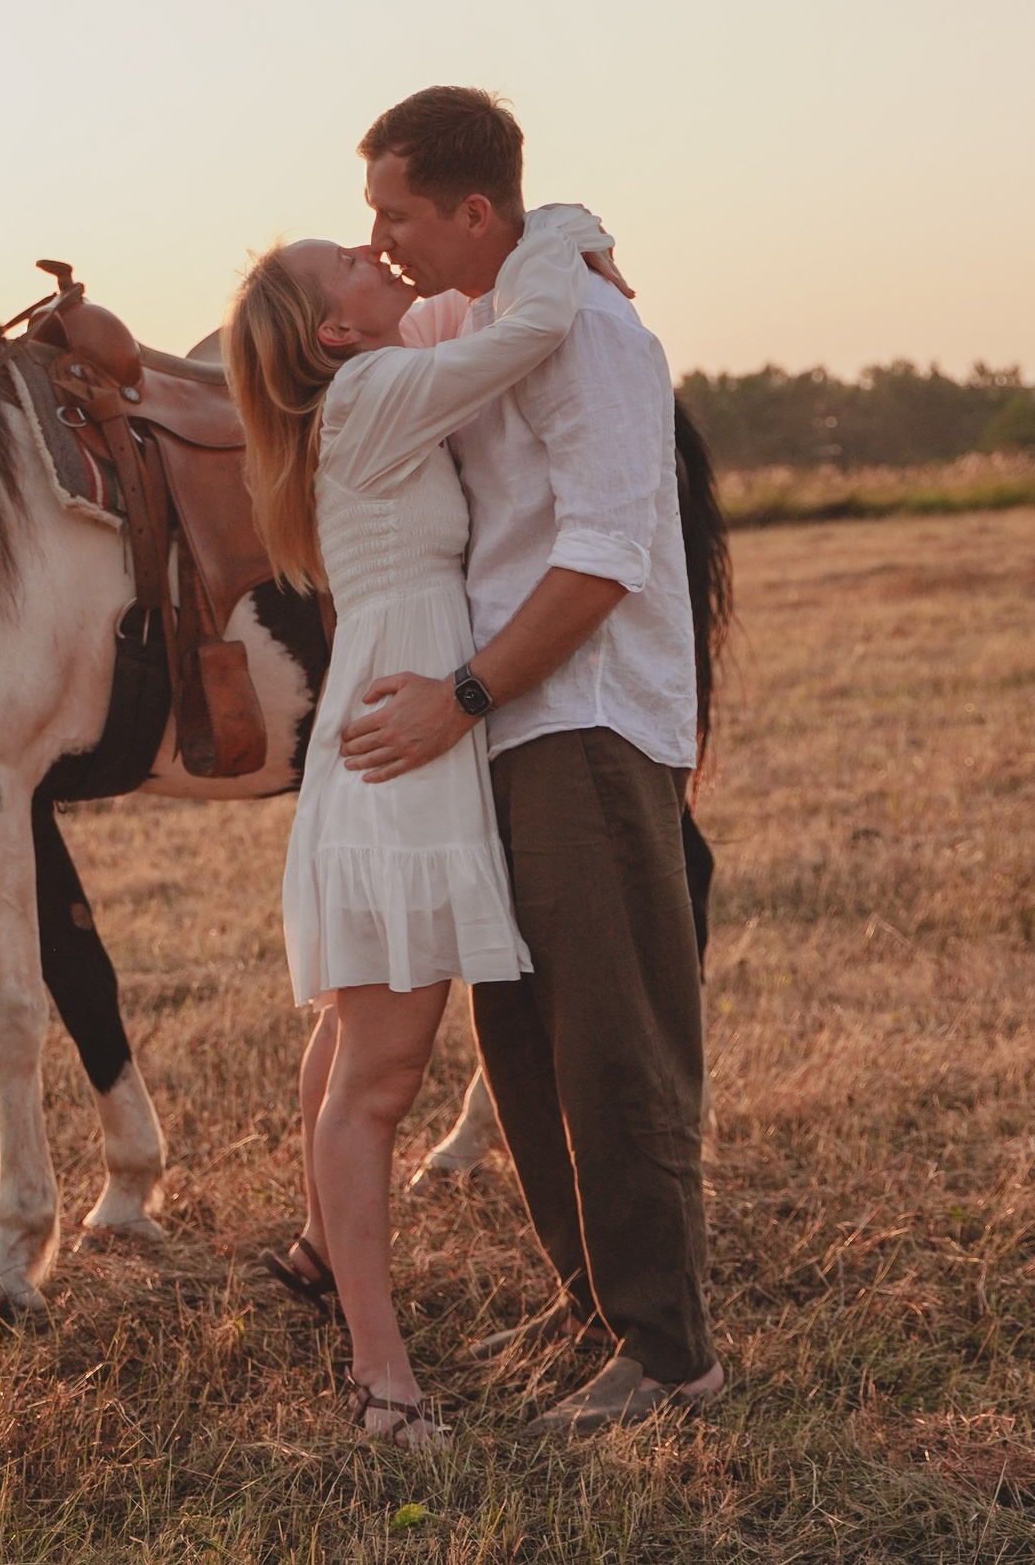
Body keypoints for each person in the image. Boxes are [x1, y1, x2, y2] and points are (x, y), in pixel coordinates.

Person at [338, 87, 723, 1436]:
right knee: (524, 1045)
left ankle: (668, 1354)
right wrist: (568, 223)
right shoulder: (477, 318)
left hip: (584, 720)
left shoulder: (593, 337)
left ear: (470, 211)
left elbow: (607, 557)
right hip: (507, 723)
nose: (378, 239)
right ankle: (592, 1306)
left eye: (395, 213)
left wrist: (458, 696)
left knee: (614, 1044)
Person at [225, 200, 616, 1451]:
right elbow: (532, 325)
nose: (372, 250)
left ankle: (319, 1250)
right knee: (382, 1082)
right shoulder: (374, 390)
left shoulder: (364, 390)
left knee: (353, 1042)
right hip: (400, 755)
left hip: (394, 731)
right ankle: (381, 1383)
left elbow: (467, 311)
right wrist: (564, 226)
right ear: (333, 331)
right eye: (349, 261)